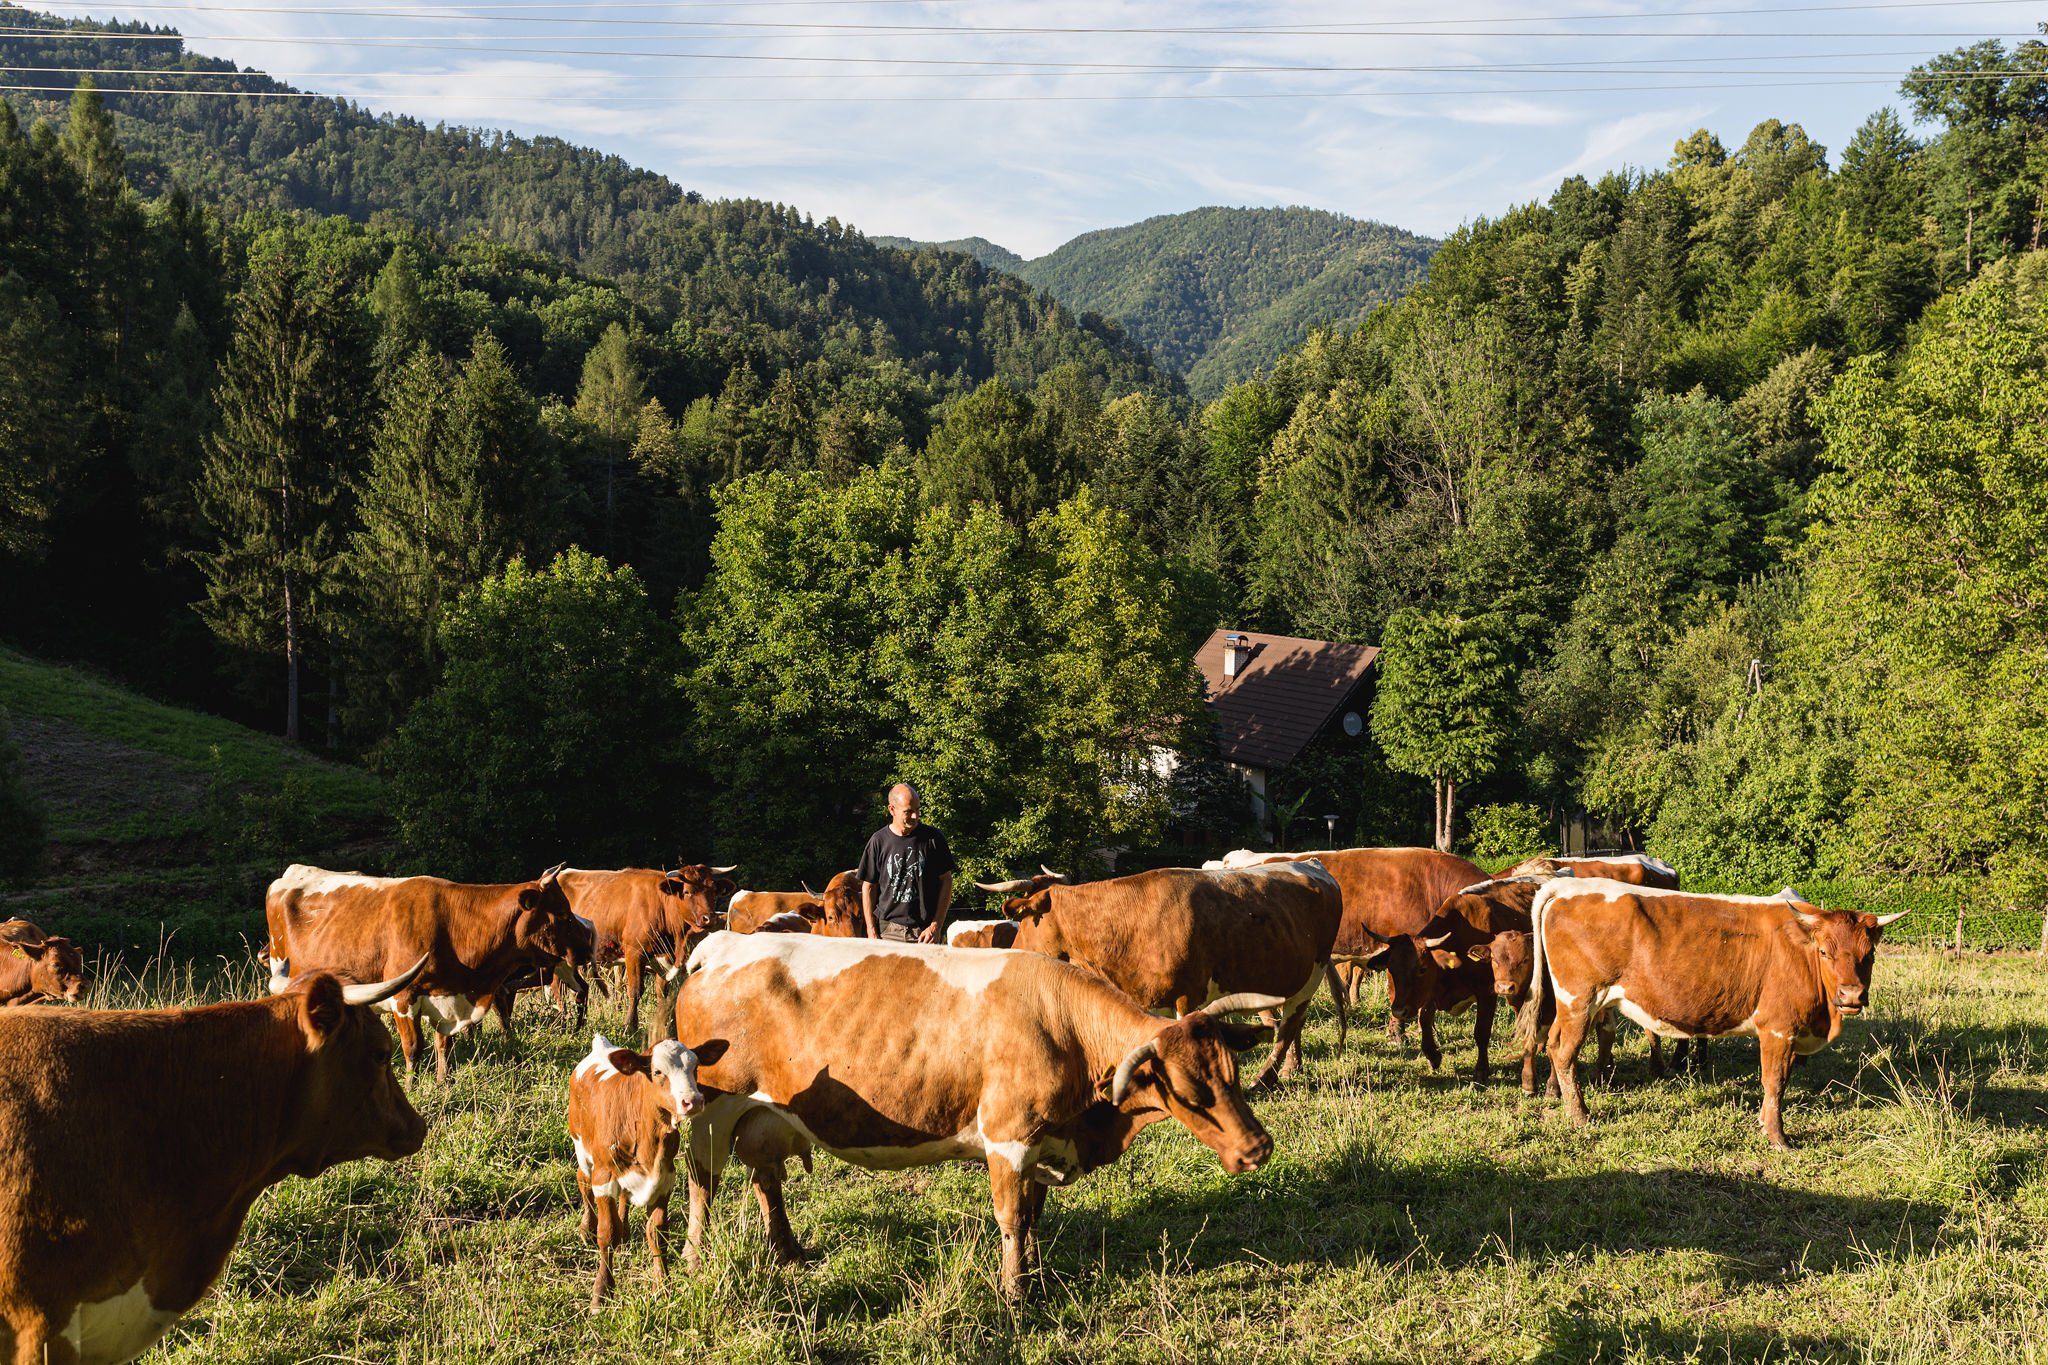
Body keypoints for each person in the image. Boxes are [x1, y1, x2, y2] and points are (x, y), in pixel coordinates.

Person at [857, 782, 957, 943]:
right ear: (892, 809)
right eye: (908, 811)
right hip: (887, 932)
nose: (915, 816)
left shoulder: (933, 838)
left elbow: (946, 881)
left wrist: (935, 926)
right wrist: (871, 931)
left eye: (918, 810)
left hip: (924, 934)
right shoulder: (878, 841)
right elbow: (868, 887)